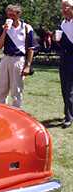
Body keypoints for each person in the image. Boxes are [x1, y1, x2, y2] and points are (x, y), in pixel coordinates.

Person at [0, 4, 35, 108]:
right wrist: (5, 31)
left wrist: (27, 66)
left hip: (19, 60)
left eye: (13, 15)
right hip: (5, 59)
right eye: (8, 15)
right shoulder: (4, 27)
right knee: (2, 89)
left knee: (16, 90)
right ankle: (1, 112)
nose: (10, 18)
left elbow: (31, 49)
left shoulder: (27, 28)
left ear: (18, 14)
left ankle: (16, 114)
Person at [55, 0, 73, 128]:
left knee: (70, 89)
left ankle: (69, 115)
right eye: (62, 7)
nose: (63, 10)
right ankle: (69, 114)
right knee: (66, 88)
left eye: (65, 7)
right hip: (65, 59)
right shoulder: (62, 23)